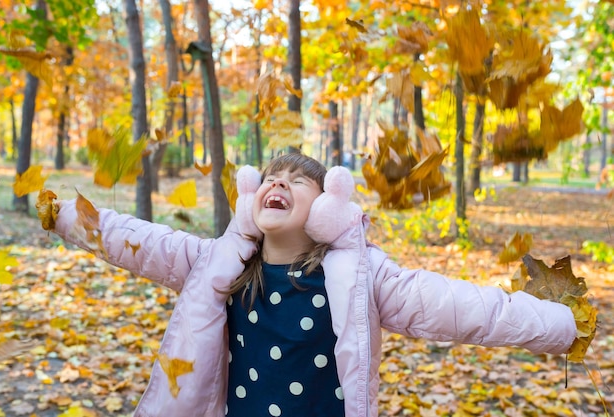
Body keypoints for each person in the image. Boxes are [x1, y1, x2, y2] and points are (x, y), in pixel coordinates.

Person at [44, 153, 577, 417]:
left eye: (298, 180)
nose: (279, 181)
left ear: (325, 207)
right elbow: (139, 242)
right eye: (273, 176)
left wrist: (559, 325)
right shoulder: (219, 262)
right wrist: (66, 216)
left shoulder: (360, 275)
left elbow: (459, 306)